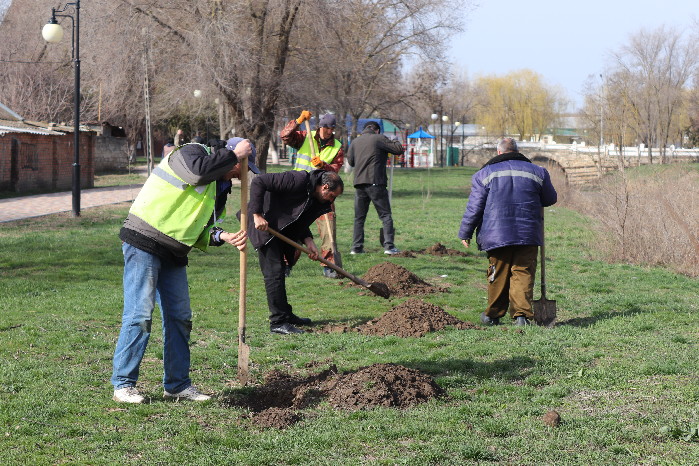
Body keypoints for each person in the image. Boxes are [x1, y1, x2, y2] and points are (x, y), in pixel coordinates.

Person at [111, 138, 260, 404]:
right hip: (144, 239)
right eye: (242, 168)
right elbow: (196, 173)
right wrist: (233, 154)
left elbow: (198, 230)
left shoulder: (219, 191)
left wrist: (221, 236)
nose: (242, 175)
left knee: (180, 317)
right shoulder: (191, 153)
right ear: (233, 158)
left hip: (174, 251)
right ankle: (124, 385)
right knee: (140, 315)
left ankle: (177, 385)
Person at [458, 137, 557, 326]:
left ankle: (492, 316)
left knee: (498, 273)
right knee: (523, 272)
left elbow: (475, 207)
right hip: (527, 233)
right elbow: (550, 198)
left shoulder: (484, 174)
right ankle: (521, 316)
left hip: (496, 234)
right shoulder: (538, 172)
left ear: (499, 152)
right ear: (518, 151)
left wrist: (466, 232)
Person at [244, 169, 344, 335]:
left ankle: (286, 315)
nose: (332, 200)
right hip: (264, 225)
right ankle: (278, 322)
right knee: (274, 273)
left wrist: (308, 240)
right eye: (333, 195)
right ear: (325, 187)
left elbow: (299, 218)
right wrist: (257, 214)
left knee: (280, 271)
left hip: (282, 229)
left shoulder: (315, 197)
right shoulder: (298, 179)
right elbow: (259, 182)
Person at [281, 111, 344, 278]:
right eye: (326, 128)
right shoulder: (304, 136)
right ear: (320, 126)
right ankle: (286, 264)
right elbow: (285, 136)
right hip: (299, 190)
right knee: (293, 227)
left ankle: (329, 266)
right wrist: (298, 121)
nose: (329, 131)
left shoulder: (337, 146)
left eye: (332, 128)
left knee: (328, 228)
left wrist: (324, 165)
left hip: (323, 193)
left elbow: (336, 171)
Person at [347, 120, 405, 255]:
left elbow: (351, 161)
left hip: (359, 184)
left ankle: (356, 248)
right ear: (377, 130)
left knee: (359, 218)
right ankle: (389, 247)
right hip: (376, 183)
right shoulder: (379, 138)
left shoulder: (356, 142)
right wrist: (395, 140)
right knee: (385, 215)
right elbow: (398, 150)